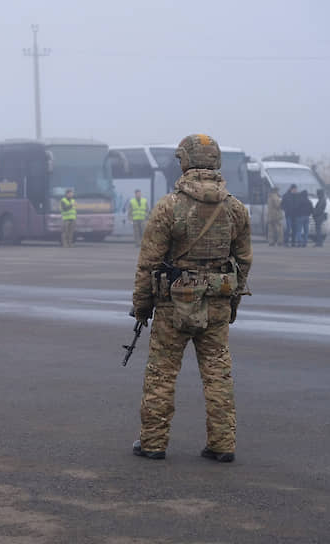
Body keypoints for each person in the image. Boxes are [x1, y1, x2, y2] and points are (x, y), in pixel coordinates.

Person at [131, 134, 252, 463]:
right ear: (215, 162)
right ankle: (223, 444)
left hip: (174, 306)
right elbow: (243, 263)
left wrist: (142, 308)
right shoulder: (236, 209)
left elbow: (149, 264)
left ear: (184, 161)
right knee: (218, 374)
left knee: (162, 374)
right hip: (217, 303)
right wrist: (233, 305)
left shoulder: (169, 207)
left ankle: (154, 442)